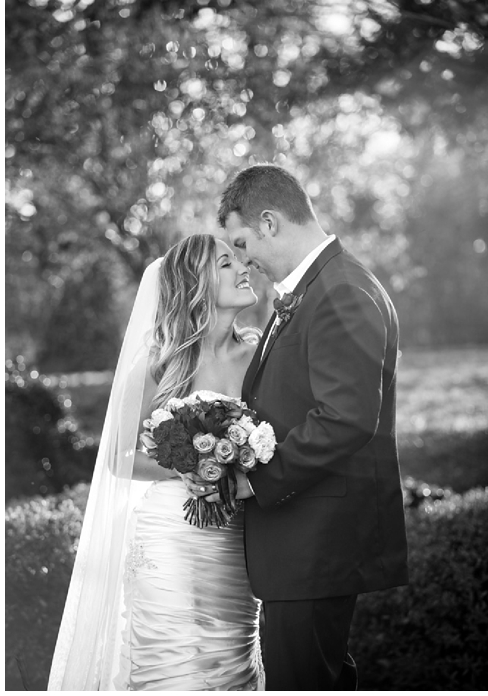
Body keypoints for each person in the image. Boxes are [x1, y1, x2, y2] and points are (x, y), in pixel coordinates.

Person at [215, 163, 409, 690]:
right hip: (304, 544)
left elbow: (345, 419)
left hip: (317, 543)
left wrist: (252, 479)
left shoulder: (340, 289)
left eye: (242, 241)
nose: (242, 259)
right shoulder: (316, 287)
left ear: (271, 222)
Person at [48, 234, 264, 690]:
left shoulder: (261, 356)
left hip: (238, 540)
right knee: (172, 666)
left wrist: (240, 464)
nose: (243, 266)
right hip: (170, 536)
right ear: (197, 285)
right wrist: (191, 468)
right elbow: (118, 458)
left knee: (231, 668)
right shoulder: (160, 364)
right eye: (226, 263)